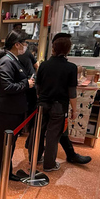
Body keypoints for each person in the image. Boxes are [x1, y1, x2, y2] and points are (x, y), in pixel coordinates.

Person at [0, 31, 35, 186]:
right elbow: (7, 86)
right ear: (17, 44)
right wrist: (26, 84)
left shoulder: (14, 59)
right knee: (2, 143)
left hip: (13, 109)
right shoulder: (7, 61)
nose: (26, 46)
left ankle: (6, 172)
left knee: (10, 144)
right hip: (5, 111)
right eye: (24, 43)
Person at [36, 33, 78, 171]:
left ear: (53, 48)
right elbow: (72, 93)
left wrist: (41, 97)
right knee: (53, 136)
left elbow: (38, 87)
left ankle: (35, 158)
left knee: (38, 133)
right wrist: (74, 110)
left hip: (42, 104)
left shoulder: (44, 65)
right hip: (59, 106)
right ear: (68, 50)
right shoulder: (71, 67)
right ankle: (49, 164)